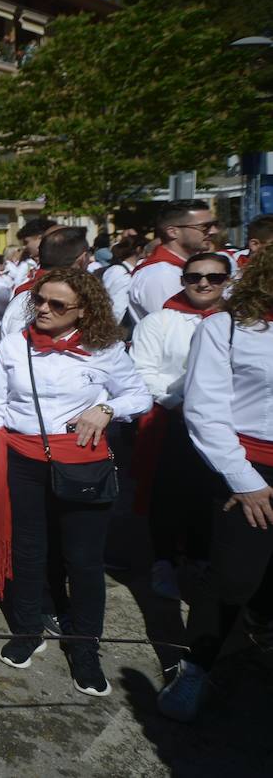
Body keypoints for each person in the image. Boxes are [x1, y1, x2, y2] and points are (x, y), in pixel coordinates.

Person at [0, 268, 151, 696]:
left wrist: (106, 410)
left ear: (83, 309)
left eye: (57, 305)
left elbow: (140, 395)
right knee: (29, 551)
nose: (44, 311)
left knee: (84, 561)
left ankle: (85, 648)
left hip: (82, 463)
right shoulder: (14, 345)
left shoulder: (104, 349)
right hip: (22, 460)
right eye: (40, 302)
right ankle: (29, 630)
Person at [158, 246, 273, 721]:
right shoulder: (225, 328)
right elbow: (205, 409)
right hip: (249, 471)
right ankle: (196, 669)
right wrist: (244, 480)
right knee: (233, 577)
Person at [129, 253, 232, 600]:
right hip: (172, 421)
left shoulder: (239, 322)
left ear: (227, 281)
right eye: (195, 277)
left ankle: (202, 558)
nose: (204, 283)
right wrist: (181, 403)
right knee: (169, 494)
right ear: (184, 280)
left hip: (227, 424)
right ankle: (164, 561)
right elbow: (143, 371)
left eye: (214, 277)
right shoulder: (160, 321)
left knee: (213, 493)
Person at [129, 199, 218, 322]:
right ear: (173, 232)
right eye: (204, 227)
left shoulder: (175, 269)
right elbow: (173, 328)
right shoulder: (161, 275)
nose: (214, 231)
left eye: (214, 225)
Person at [0, 227, 91, 339]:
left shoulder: (24, 296)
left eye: (57, 305)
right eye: (39, 301)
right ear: (82, 260)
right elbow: (16, 351)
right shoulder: (25, 300)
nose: (43, 308)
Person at [99, 238, 141, 327]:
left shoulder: (135, 271)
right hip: (116, 325)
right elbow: (107, 296)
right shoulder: (117, 270)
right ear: (139, 249)